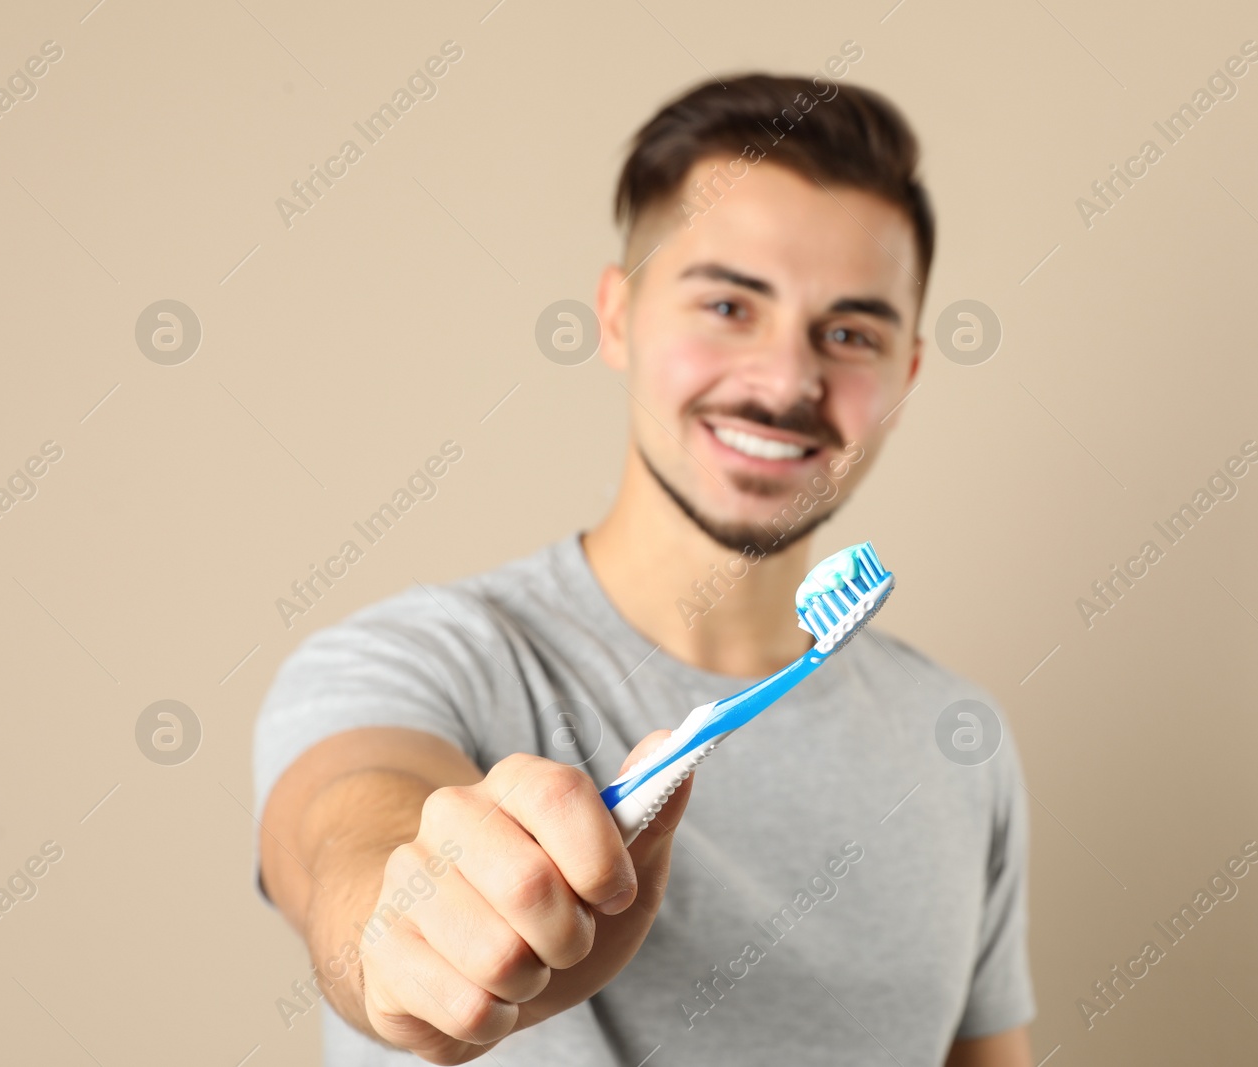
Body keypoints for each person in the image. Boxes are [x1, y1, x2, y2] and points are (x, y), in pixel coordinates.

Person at [253, 70, 1036, 1065]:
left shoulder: (957, 738)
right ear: (618, 315)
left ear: (904, 376)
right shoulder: (416, 660)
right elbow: (344, 835)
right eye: (727, 304)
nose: (786, 379)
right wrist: (407, 929)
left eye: (848, 332)